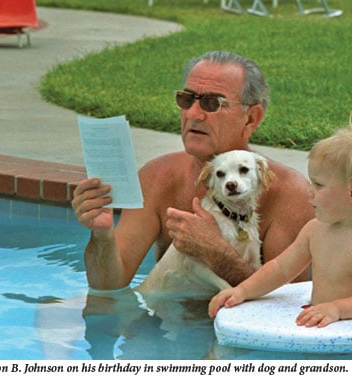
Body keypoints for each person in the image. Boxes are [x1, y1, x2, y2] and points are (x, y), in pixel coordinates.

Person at [71, 51, 314, 291]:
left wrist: (218, 254)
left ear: (251, 119)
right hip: (164, 323)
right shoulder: (158, 177)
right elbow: (107, 285)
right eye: (186, 99)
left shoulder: (289, 193)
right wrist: (102, 237)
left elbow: (287, 308)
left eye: (212, 103)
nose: (193, 114)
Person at [208, 125, 352, 328]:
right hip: (321, 324)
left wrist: (337, 309)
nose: (310, 192)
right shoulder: (314, 230)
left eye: (318, 185)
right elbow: (281, 269)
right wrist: (243, 291)